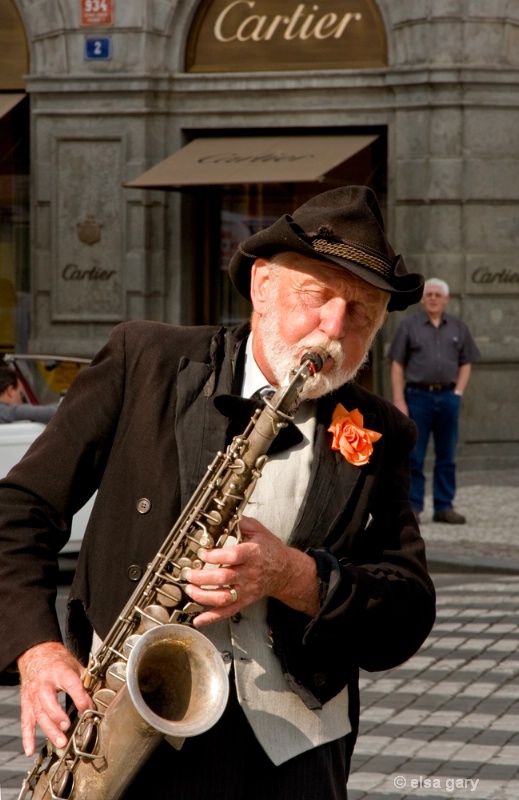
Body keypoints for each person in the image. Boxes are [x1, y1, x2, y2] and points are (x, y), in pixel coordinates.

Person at [0, 186, 435, 800]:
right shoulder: (143, 359)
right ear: (262, 286)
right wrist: (37, 650)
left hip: (296, 757)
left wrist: (294, 576)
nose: (334, 328)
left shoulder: (382, 431)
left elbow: (408, 610)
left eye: (360, 310)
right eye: (316, 296)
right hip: (122, 733)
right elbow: (20, 511)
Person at [389, 277, 481, 525]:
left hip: (448, 398)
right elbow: (397, 363)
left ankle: (444, 506)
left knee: (447, 455)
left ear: (446, 299)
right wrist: (399, 399)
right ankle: (415, 507)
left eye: (437, 295)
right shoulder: (409, 326)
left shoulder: (458, 328)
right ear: (422, 298)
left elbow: (466, 362)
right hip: (417, 397)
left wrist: (458, 392)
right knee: (415, 456)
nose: (432, 298)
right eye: (429, 294)